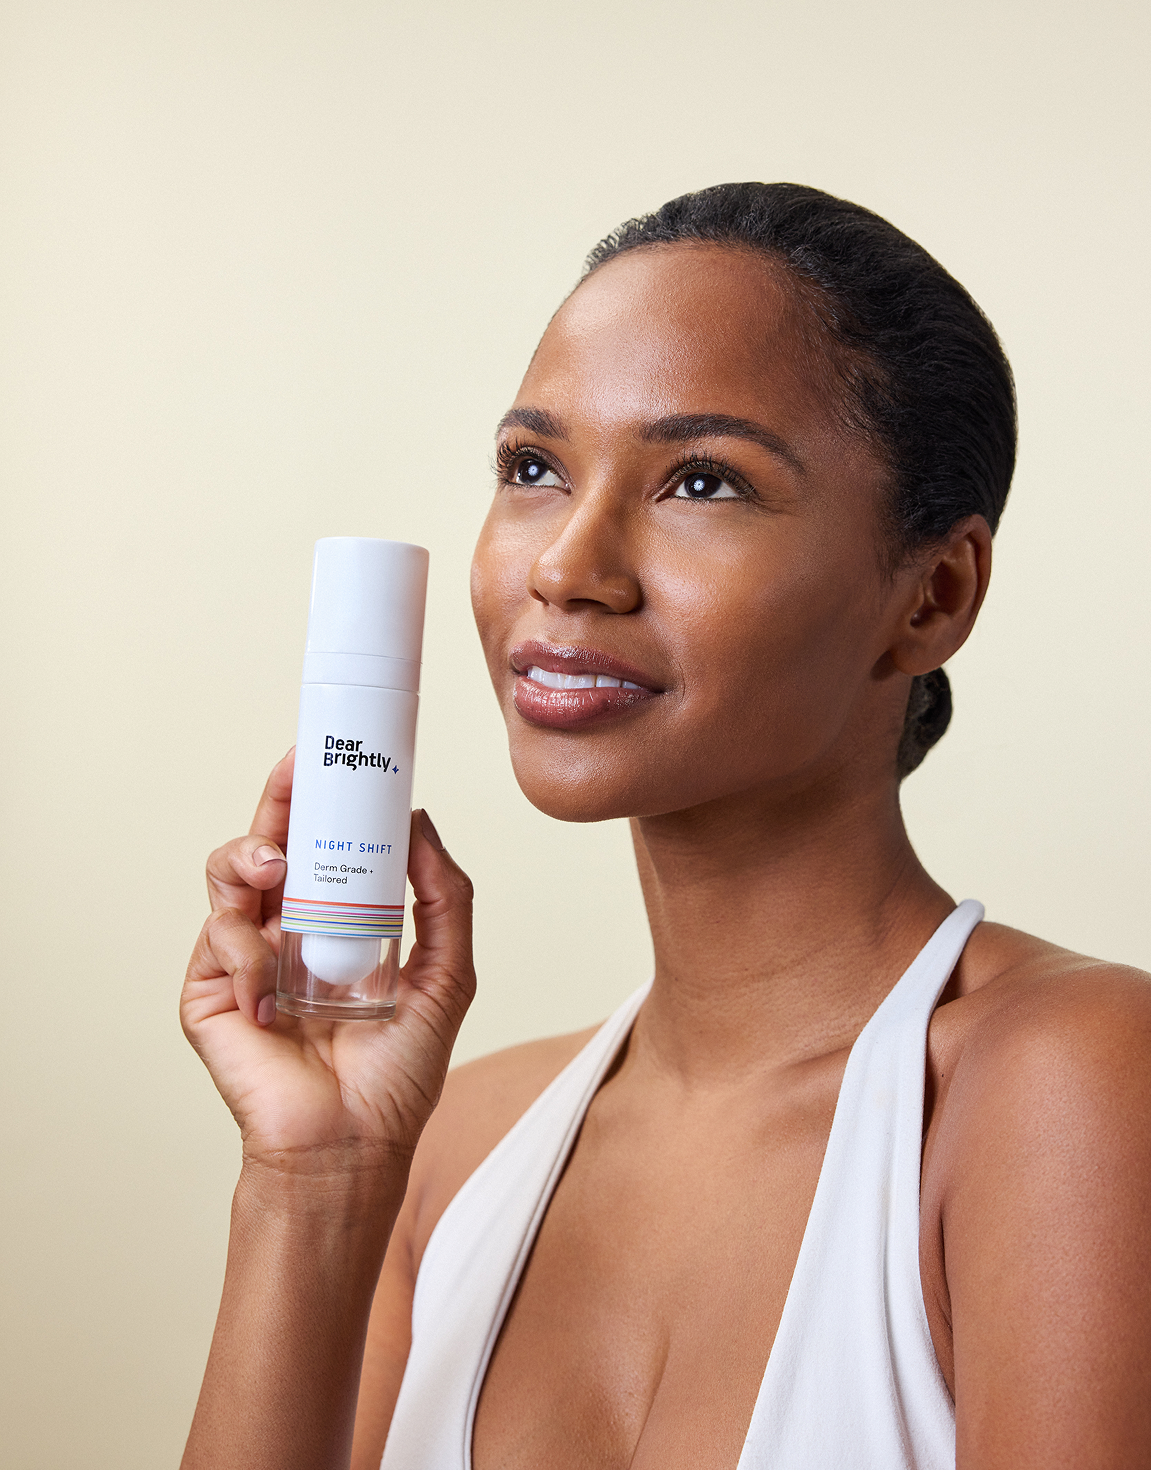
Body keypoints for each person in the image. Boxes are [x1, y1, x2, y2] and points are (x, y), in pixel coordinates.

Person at [179, 184, 1150, 1470]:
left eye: (703, 480)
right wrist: (314, 1185)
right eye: (533, 468)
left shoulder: (1067, 1085)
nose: (568, 565)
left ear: (934, 595)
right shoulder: (453, 1143)